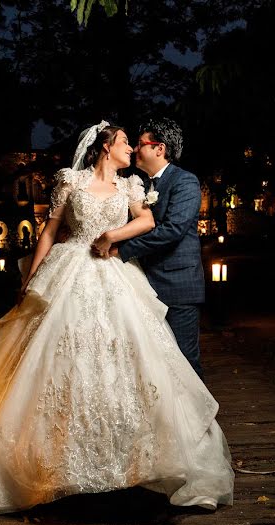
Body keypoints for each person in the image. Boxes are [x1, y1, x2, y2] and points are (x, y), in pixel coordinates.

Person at [0, 120, 234, 515]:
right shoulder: (70, 181)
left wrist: (113, 238)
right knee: (61, 358)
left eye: (136, 143)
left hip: (113, 273)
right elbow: (49, 231)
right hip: (70, 268)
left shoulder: (131, 186)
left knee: (129, 358)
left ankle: (135, 462)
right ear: (106, 147)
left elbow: (150, 222)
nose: (132, 148)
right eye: (126, 142)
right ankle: (55, 465)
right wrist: (32, 276)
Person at [92, 118, 206, 379]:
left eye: (141, 144)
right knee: (154, 363)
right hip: (143, 287)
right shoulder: (139, 186)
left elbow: (172, 230)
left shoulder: (185, 182)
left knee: (185, 362)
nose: (134, 148)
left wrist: (122, 250)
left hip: (178, 286)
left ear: (159, 149)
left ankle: (197, 421)